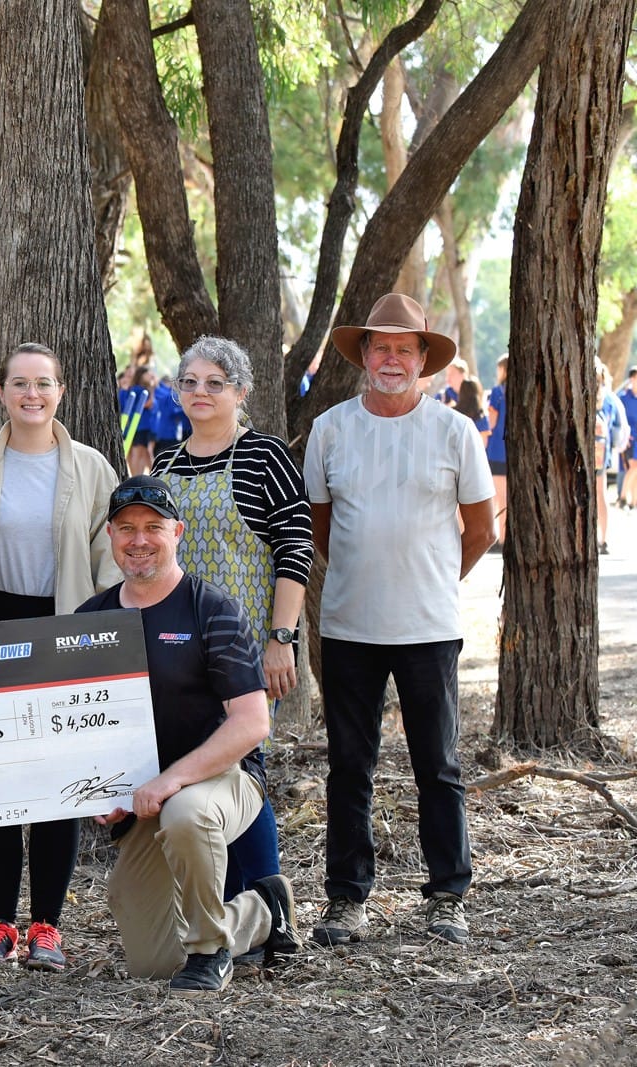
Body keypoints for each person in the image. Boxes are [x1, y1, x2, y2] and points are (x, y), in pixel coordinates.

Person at [304, 293, 495, 947]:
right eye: (379, 347)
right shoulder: (330, 429)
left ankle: (448, 895)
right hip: (350, 625)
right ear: (364, 355)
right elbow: (321, 526)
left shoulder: (454, 431)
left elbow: (479, 529)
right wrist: (369, 571)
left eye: (403, 348)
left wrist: (431, 577)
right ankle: (347, 900)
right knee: (349, 765)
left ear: (423, 359)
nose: (391, 358)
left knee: (437, 765)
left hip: (429, 626)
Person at [78, 476, 299, 995]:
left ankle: (210, 951)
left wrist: (172, 780)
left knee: (186, 811)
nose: (139, 540)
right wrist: (98, 793)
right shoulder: (92, 619)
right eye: (127, 528)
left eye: (153, 527)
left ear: (177, 532)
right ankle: (263, 911)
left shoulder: (211, 609)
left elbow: (252, 723)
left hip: (222, 781)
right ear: (110, 534)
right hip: (142, 799)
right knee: (153, 961)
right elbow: (85, 725)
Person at [0, 342, 120, 972]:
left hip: (65, 633)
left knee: (58, 783)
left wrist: (102, 635)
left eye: (44, 384)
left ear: (61, 391)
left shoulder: (91, 468)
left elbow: (111, 560)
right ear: (1, 393)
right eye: (20, 384)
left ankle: (47, 926)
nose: (32, 395)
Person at [151, 337, 312, 916]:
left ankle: (269, 908)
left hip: (243, 645)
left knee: (242, 768)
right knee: (198, 769)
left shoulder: (264, 456)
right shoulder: (164, 465)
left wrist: (281, 638)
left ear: (241, 392)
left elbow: (296, 547)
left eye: (215, 382)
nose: (200, 392)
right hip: (176, 649)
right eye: (189, 381)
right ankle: (216, 912)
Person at [596, 363, 628, 554]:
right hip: (602, 451)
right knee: (602, 495)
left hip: (582, 453)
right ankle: (604, 539)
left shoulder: (582, 393)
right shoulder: (610, 398)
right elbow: (619, 427)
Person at [486, 357, 508, 549]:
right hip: (513, 450)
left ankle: (500, 538)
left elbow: (491, 422)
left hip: (497, 450)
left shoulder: (497, 392)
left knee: (498, 496)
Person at [619, 368, 637, 509]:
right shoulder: (624, 397)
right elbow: (619, 419)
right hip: (630, 438)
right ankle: (623, 497)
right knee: (632, 467)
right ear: (631, 379)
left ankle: (634, 501)